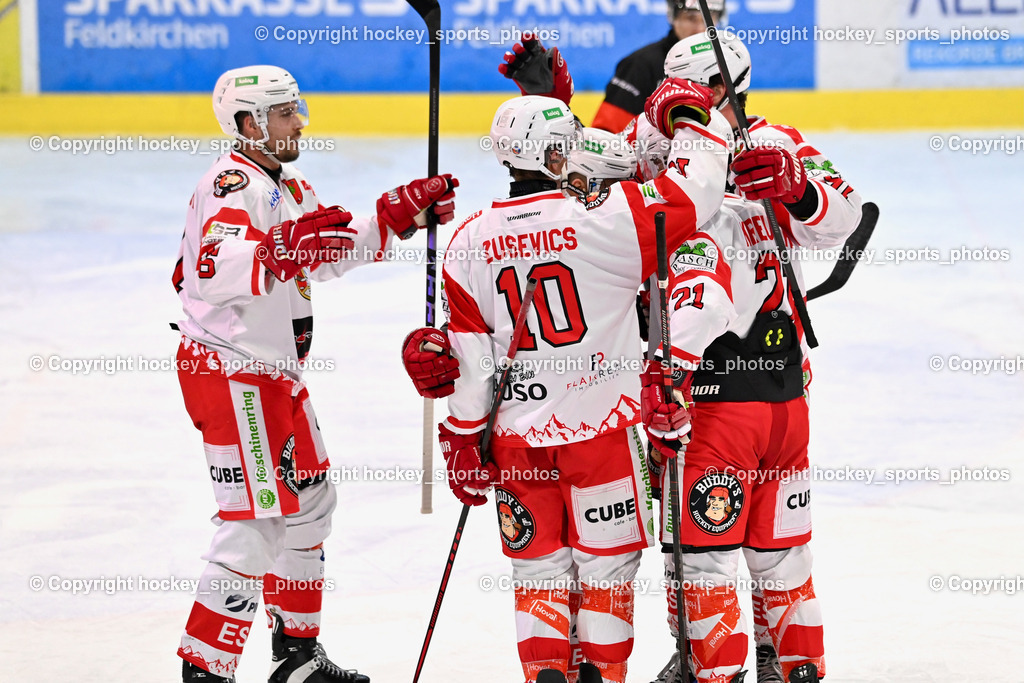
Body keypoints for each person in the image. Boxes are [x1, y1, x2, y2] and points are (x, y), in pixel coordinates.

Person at [172, 64, 458, 683]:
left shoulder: (288, 187)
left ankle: (297, 660)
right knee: (256, 519)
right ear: (248, 123)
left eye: (297, 108)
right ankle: (206, 670)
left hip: (272, 375)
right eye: (285, 112)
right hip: (231, 371)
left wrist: (397, 216)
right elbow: (212, 269)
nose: (300, 120)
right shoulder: (230, 184)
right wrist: (281, 249)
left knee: (308, 504)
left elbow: (324, 248)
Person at [434, 87, 728, 683]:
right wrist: (694, 116)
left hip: (515, 441)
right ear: (557, 155)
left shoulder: (468, 240)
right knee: (607, 570)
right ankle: (603, 674)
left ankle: (547, 672)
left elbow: (468, 354)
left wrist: (462, 438)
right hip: (602, 433)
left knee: (537, 573)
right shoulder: (609, 217)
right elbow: (695, 196)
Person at [653, 33, 864, 683]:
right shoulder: (674, 152)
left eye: (690, 90)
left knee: (698, 549)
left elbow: (843, 213)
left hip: (711, 392)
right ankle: (775, 658)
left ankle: (712, 660)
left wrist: (798, 190)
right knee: (782, 557)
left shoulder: (768, 146)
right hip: (777, 392)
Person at [592, 0, 725, 132]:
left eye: (710, 17)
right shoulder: (640, 64)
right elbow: (606, 135)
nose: (700, 29)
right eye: (691, 18)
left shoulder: (725, 64)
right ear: (672, 16)